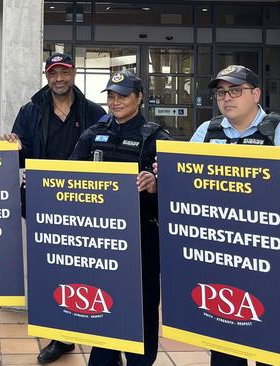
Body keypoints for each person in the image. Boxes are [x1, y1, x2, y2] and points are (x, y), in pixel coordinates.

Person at [1, 53, 106, 364]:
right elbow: (19, 157)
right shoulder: (30, 111)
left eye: (64, 72)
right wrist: (12, 148)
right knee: (50, 270)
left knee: (85, 271)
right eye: (53, 73)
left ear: (72, 73)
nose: (59, 78)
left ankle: (94, 329)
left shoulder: (94, 112)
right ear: (46, 76)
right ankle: (60, 337)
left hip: (84, 206)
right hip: (42, 204)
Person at [189, 65, 280, 366]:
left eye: (236, 90)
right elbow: (188, 185)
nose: (227, 98)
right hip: (223, 258)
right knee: (226, 346)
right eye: (221, 92)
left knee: (273, 347)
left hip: (272, 260)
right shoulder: (206, 131)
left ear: (256, 94)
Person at [70, 70, 171, 366]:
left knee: (142, 308)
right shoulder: (93, 134)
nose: (115, 102)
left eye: (123, 95)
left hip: (142, 241)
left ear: (139, 98)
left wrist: (155, 186)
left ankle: (141, 359)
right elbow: (70, 177)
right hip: (101, 241)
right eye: (111, 96)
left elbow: (177, 194)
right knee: (104, 303)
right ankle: (105, 357)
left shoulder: (156, 137)